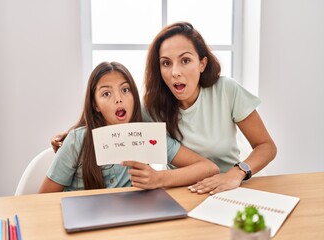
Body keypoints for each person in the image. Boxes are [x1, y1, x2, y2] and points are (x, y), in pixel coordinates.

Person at [51, 22, 277, 195]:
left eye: (185, 60)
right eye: (166, 63)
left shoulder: (227, 90)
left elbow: (266, 146)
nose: (175, 72)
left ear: (202, 63)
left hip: (231, 186)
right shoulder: (153, 106)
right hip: (181, 190)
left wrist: (236, 174)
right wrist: (75, 133)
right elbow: (119, 118)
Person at [39, 61, 219, 193]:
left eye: (125, 90)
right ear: (95, 105)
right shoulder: (77, 141)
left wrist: (159, 179)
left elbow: (209, 168)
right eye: (106, 93)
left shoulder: (146, 135)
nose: (118, 98)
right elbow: (42, 199)